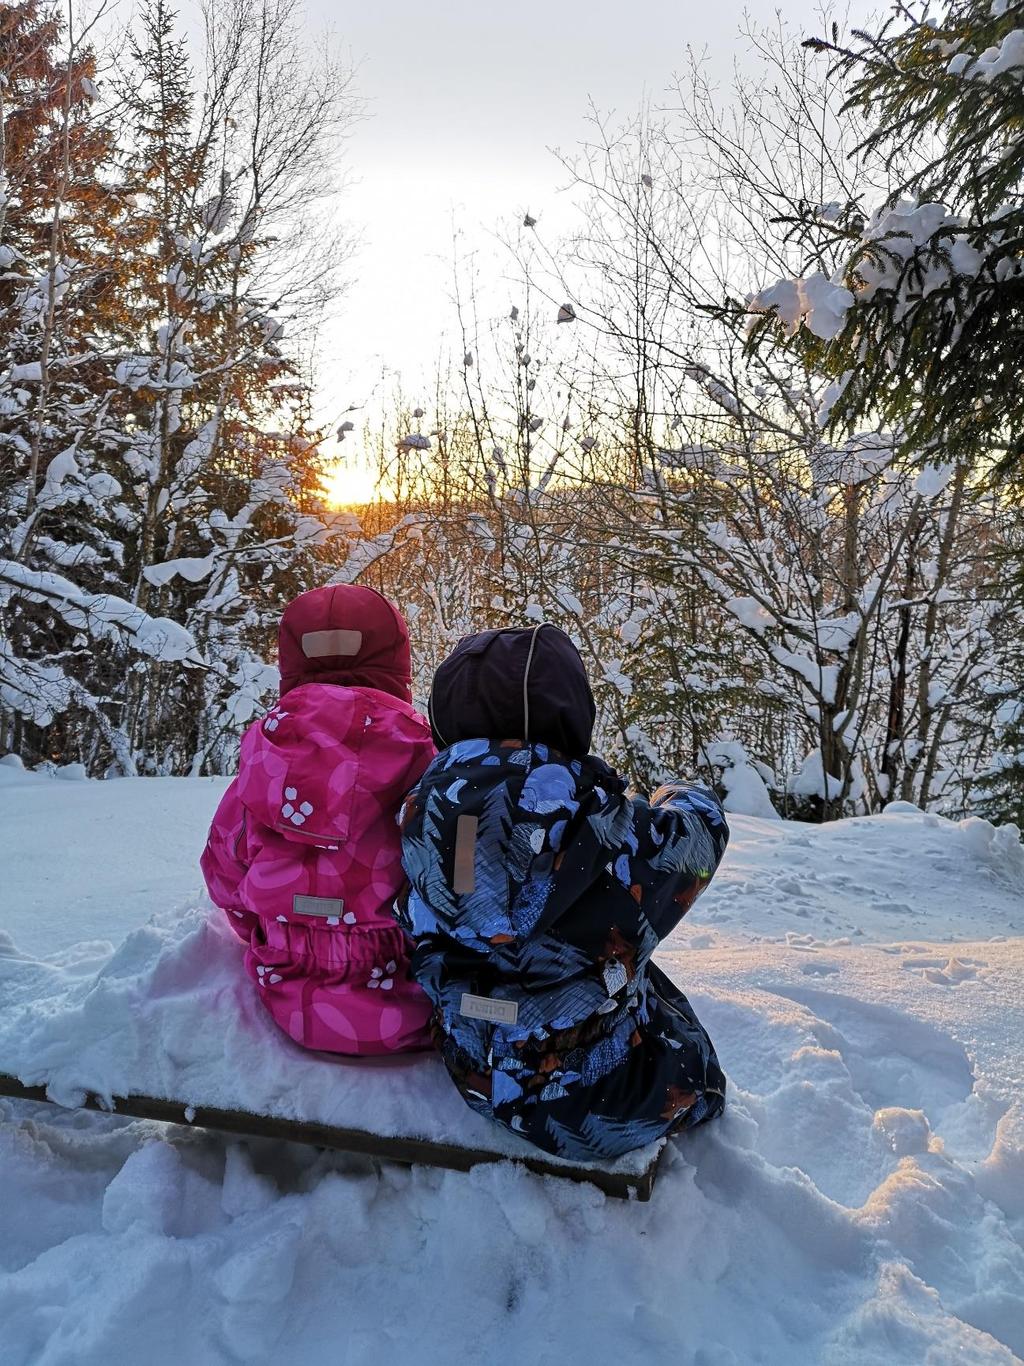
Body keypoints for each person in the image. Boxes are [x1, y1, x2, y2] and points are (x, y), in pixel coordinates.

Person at [396, 623, 729, 1160]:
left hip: (472, 1068)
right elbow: (697, 844)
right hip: (600, 1099)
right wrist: (680, 795)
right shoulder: (601, 828)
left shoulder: (420, 812)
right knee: (685, 1049)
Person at [202, 584, 434, 1055]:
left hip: (288, 991)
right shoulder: (426, 754)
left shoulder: (266, 757)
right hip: (410, 992)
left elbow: (224, 870)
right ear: (396, 661)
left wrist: (280, 928)